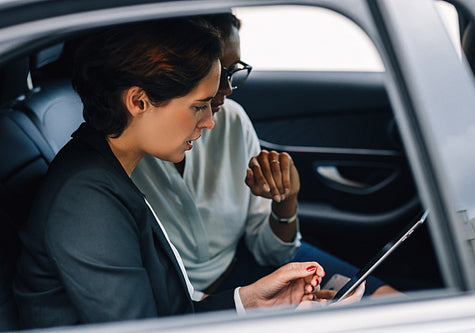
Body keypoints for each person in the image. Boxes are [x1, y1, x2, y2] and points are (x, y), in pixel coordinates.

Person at [12, 19, 329, 330]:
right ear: (139, 101)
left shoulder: (110, 169)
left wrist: (254, 303)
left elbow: (167, 314)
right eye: (198, 106)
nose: (209, 122)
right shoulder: (86, 202)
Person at [132, 13, 398, 297]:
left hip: (244, 267)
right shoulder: (124, 159)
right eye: (214, 71)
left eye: (232, 70)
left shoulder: (231, 122)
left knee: (388, 301)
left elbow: (272, 252)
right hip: (181, 296)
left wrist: (285, 202)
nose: (225, 89)